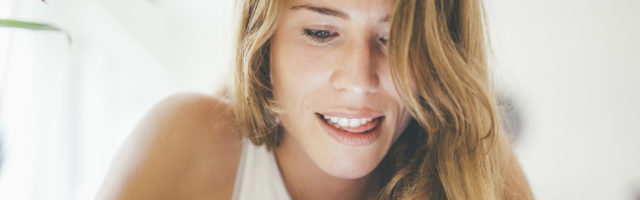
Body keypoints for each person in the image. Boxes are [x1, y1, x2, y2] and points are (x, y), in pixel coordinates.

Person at [96, 0, 533, 199]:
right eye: (321, 33)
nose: (360, 81)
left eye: (396, 38)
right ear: (264, 42)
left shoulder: (479, 178)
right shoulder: (188, 142)